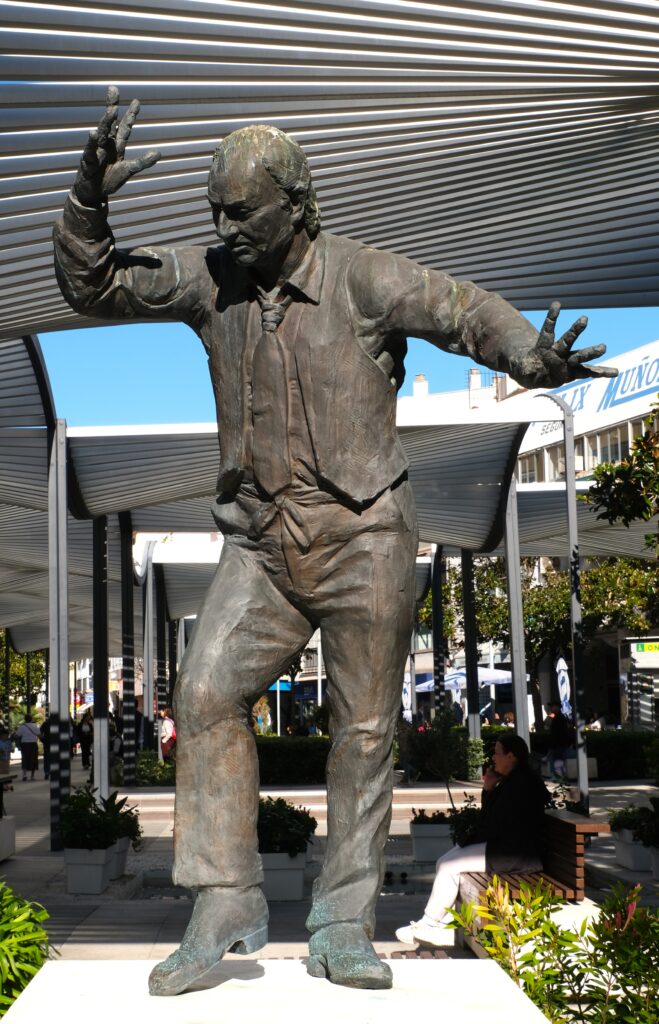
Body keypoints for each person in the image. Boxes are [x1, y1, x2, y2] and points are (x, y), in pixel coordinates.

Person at [53, 87, 614, 996]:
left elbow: (463, 309)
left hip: (364, 537)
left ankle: (343, 921)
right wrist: (88, 199)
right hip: (263, 544)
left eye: (242, 211)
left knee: (360, 733)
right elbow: (93, 281)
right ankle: (225, 900)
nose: (225, 226)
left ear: (296, 204)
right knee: (201, 696)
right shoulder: (211, 280)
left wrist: (529, 356)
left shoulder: (363, 276)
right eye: (215, 212)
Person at [395, 734, 551, 946]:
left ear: (511, 756)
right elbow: (492, 820)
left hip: (517, 855)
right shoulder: (513, 781)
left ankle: (429, 923)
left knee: (450, 867)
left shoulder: (521, 784)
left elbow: (494, 823)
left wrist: (470, 840)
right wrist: (488, 789)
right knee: (444, 862)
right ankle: (441, 920)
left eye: (497, 753)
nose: (493, 759)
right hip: (507, 848)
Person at [546, 701, 572, 779]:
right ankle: (560, 776)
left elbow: (558, 733)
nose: (551, 708)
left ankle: (559, 777)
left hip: (558, 744)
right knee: (558, 760)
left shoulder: (559, 718)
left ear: (557, 707)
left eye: (552, 706)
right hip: (559, 744)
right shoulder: (558, 718)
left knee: (558, 760)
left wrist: (554, 744)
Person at [13, 714, 40, 781]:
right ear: (31, 719)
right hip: (33, 744)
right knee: (33, 759)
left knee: (25, 759)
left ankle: (24, 775)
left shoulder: (22, 727)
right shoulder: (35, 726)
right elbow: (39, 734)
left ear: (25, 719)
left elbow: (16, 735)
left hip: (24, 744)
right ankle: (32, 776)